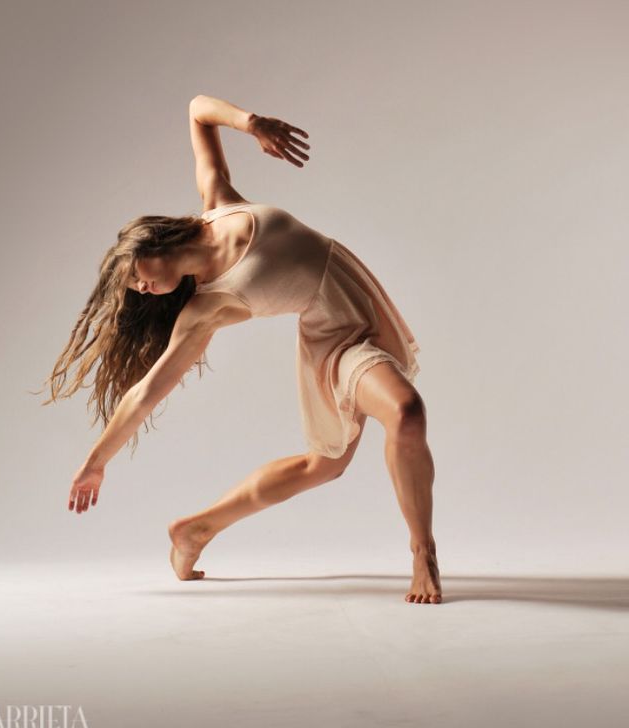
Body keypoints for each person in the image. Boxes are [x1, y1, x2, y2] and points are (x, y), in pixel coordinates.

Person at [41, 94, 442, 604]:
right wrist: (97, 461)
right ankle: (423, 554)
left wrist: (252, 124)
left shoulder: (219, 205)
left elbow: (195, 109)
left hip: (362, 304)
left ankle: (197, 529)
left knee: (322, 467)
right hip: (338, 340)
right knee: (407, 413)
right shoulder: (204, 309)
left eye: (135, 279)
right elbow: (144, 393)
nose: (139, 292)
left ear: (152, 246)